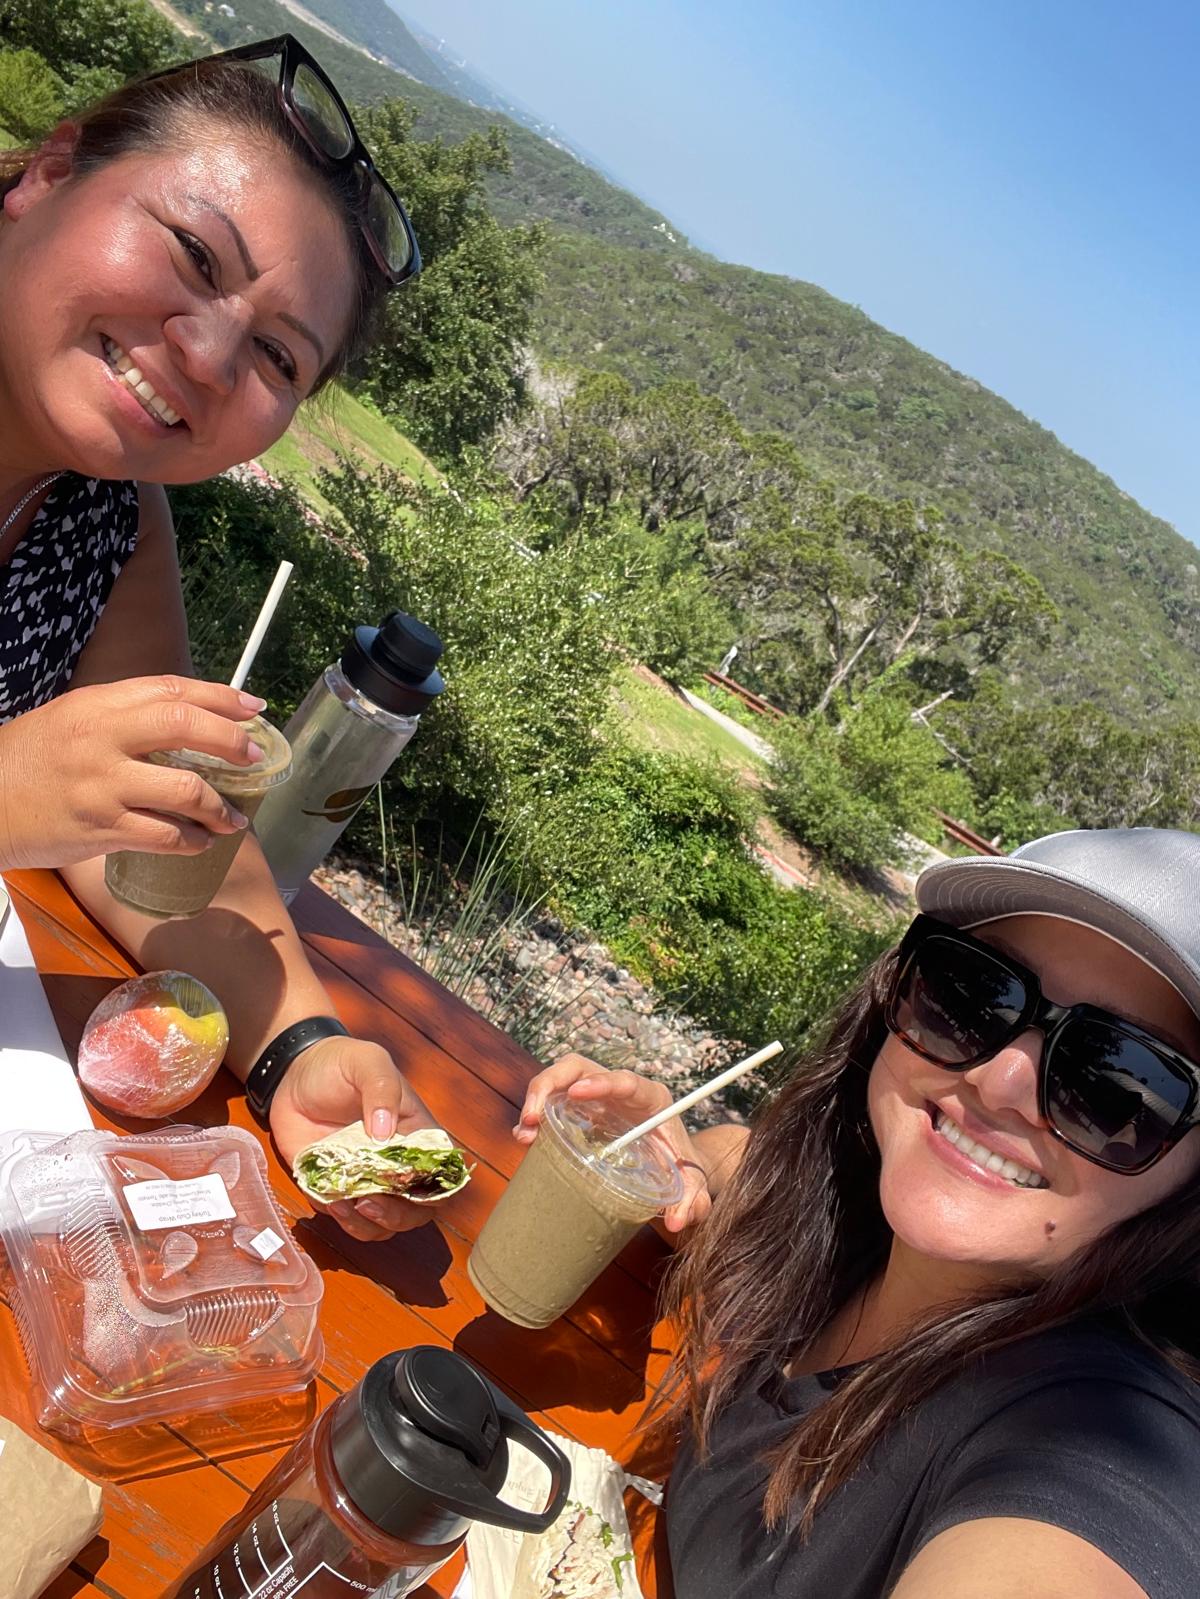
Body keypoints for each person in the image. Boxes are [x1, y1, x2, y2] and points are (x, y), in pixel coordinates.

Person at [516, 827, 1200, 1599]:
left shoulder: (1104, 1435)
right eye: (974, 993)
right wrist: (678, 1160)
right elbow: (736, 1153)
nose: (999, 1078)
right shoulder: (848, 1220)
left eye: (1121, 1087)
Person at [0, 35, 435, 1243]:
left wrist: (296, 1038)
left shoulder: (100, 516)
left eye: (277, 356)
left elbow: (154, 820)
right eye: (193, 253)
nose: (204, 350)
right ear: (48, 168)